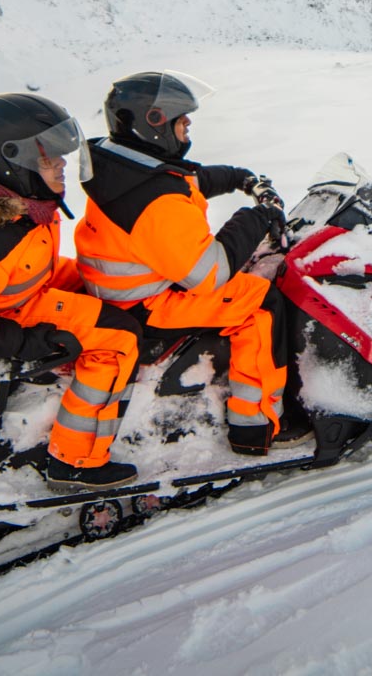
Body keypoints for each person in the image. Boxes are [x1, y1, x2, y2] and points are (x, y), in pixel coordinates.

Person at [0, 93, 141, 489]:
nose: (63, 164)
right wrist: (31, 341)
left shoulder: (19, 203)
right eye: (49, 158)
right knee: (119, 335)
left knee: (109, 289)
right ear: (15, 163)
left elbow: (29, 270)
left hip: (19, 294)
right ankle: (76, 459)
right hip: (5, 316)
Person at [74, 71, 309, 456]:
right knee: (260, 301)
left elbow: (186, 179)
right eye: (182, 122)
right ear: (155, 124)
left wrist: (240, 178)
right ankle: (258, 424)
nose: (188, 130)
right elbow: (210, 273)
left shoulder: (119, 164)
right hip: (145, 303)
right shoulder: (157, 202)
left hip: (123, 285)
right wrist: (259, 217)